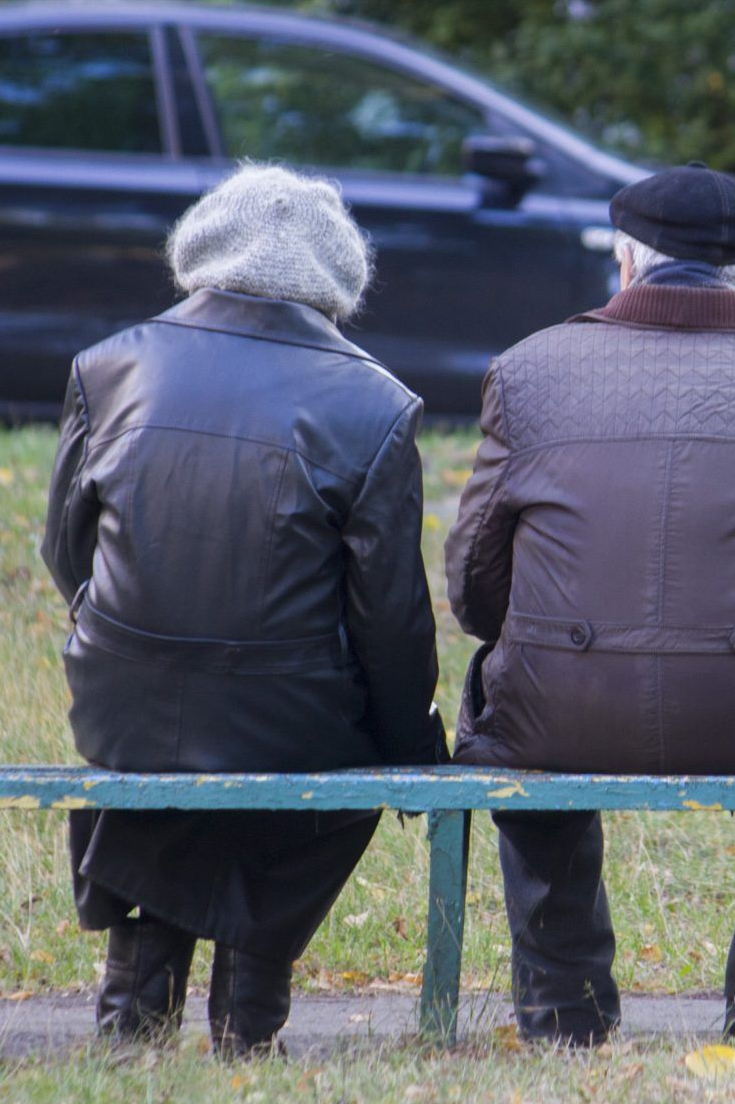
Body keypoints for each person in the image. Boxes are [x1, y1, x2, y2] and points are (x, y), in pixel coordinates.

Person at [445, 163, 735, 1044]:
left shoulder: (527, 369)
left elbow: (473, 592)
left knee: (514, 701)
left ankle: (562, 1006)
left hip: (559, 705)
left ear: (626, 261)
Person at [42, 164, 443, 1057]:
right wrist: (413, 741)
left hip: (119, 693)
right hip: (287, 713)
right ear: (338, 280)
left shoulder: (107, 366)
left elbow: (65, 548)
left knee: (164, 747)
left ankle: (135, 997)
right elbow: (388, 619)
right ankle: (249, 1003)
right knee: (325, 765)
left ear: (201, 254)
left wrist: (124, 622)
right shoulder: (374, 404)